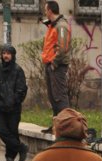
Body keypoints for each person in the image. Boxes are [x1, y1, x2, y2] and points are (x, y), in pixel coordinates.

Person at [40, 1, 71, 134]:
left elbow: (62, 48)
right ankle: (56, 125)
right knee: (53, 96)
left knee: (60, 96)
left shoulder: (61, 26)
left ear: (50, 11)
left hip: (57, 66)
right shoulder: (53, 25)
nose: (44, 12)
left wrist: (54, 64)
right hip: (50, 65)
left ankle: (67, 126)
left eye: (46, 10)